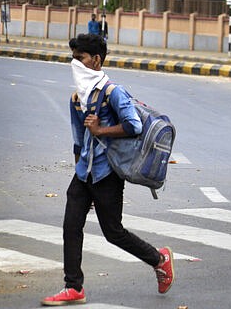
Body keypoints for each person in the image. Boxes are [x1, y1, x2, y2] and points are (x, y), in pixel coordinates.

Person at [41, 34, 174, 306]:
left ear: (96, 60)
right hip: (84, 173)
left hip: (108, 174)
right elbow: (79, 139)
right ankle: (73, 286)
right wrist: (80, 170)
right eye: (73, 58)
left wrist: (101, 129)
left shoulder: (114, 92)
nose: (75, 63)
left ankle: (159, 259)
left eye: (81, 58)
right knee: (71, 226)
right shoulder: (77, 98)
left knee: (113, 232)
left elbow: (134, 125)